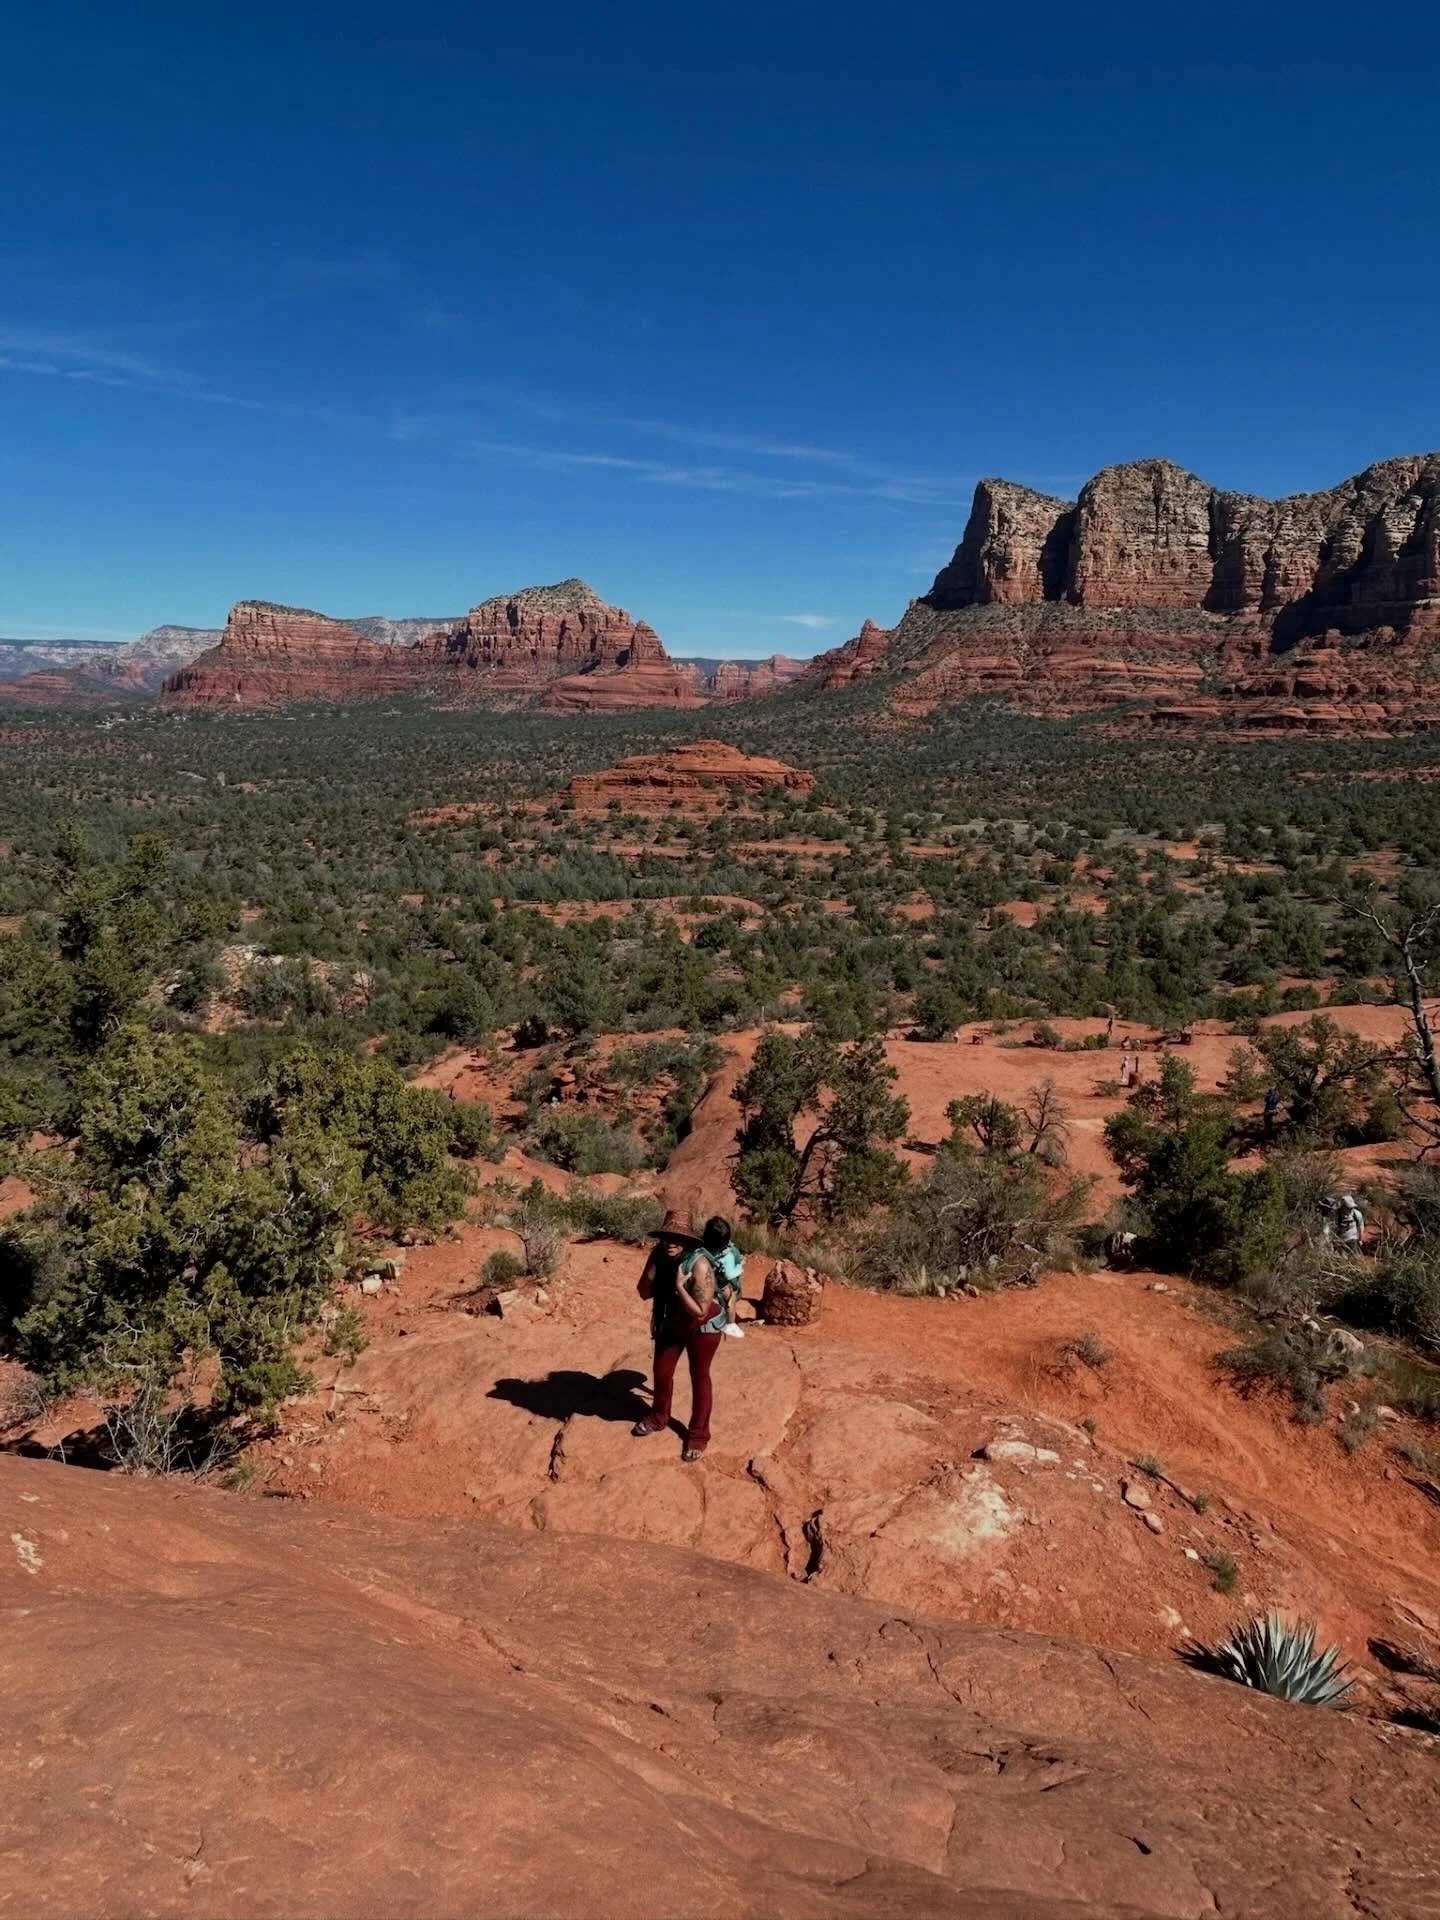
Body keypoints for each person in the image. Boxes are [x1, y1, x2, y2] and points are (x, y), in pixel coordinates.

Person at [633, 1212, 730, 1463]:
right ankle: (659, 1416)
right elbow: (643, 1292)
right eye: (666, 1237)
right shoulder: (659, 1256)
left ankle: (698, 1435)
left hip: (702, 1327)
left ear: (687, 1241)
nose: (671, 1243)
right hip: (671, 1321)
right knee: (662, 1371)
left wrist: (678, 1286)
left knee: (699, 1376)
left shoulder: (699, 1264)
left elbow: (700, 1311)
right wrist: (654, 1270)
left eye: (677, 1238)